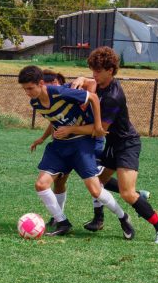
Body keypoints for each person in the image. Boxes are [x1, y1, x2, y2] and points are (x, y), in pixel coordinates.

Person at [70, 46, 158, 244]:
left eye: (98, 71)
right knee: (97, 181)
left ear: (110, 70)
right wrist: (82, 78)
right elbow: (90, 82)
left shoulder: (113, 96)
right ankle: (105, 216)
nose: (94, 75)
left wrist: (71, 130)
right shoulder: (100, 82)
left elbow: (100, 129)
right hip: (113, 143)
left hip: (127, 144)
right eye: (93, 70)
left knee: (126, 193)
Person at [19, 65, 134, 237]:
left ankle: (123, 217)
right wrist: (43, 138)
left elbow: (93, 97)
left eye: (30, 88)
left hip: (81, 144)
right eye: (24, 89)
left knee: (95, 190)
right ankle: (62, 222)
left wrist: (97, 126)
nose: (27, 93)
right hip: (59, 146)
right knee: (41, 184)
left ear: (41, 83)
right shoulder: (35, 102)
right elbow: (56, 119)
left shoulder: (60, 92)